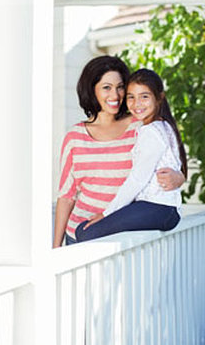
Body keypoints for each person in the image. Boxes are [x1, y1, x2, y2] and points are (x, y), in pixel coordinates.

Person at [53, 57, 184, 248]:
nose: (115, 94)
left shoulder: (141, 125)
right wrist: (56, 248)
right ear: (92, 89)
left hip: (122, 239)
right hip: (78, 235)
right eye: (106, 87)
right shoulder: (75, 137)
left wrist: (179, 177)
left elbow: (168, 159)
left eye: (120, 86)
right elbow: (66, 196)